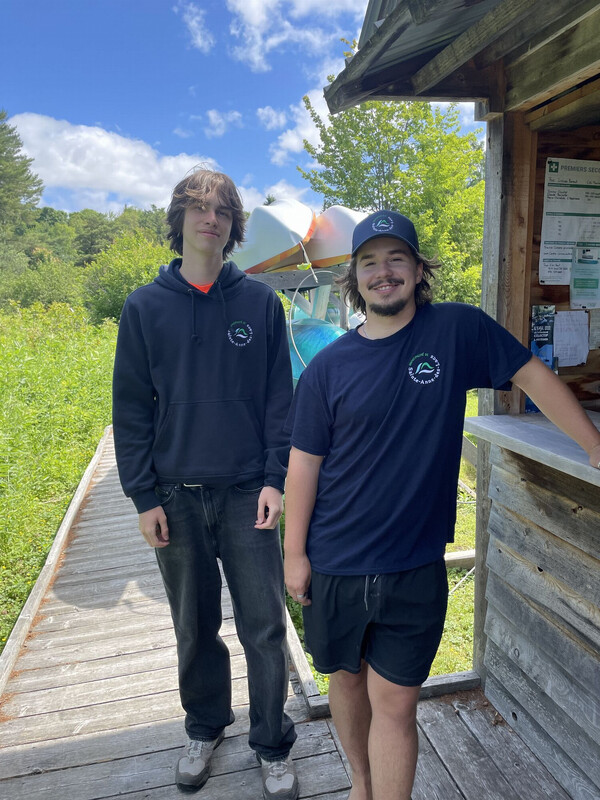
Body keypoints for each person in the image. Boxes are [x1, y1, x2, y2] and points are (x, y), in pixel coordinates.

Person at [283, 210, 600, 800]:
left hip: (415, 562)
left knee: (395, 703)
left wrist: (594, 445)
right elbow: (304, 464)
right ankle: (360, 783)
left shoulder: (456, 330)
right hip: (336, 559)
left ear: (417, 269)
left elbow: (531, 375)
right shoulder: (327, 368)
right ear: (354, 277)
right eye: (369, 262)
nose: (384, 272)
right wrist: (294, 554)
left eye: (396, 258)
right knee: (345, 681)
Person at [112, 168, 298, 799]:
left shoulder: (260, 303)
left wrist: (275, 478)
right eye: (197, 208)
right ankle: (205, 727)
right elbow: (131, 409)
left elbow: (279, 400)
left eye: (221, 210)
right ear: (180, 219)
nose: (210, 219)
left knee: (264, 627)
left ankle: (271, 742)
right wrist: (143, 497)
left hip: (248, 493)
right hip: (176, 496)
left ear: (233, 225)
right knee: (193, 626)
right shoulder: (144, 307)